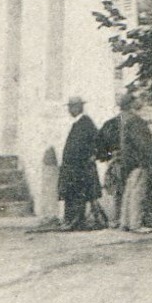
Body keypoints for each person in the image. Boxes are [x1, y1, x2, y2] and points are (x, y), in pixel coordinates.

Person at [96, 91, 152, 232]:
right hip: (138, 162)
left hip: (126, 162)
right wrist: (151, 156)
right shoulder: (136, 121)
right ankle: (136, 224)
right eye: (136, 99)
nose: (139, 101)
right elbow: (143, 144)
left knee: (128, 193)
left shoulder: (122, 120)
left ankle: (125, 222)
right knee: (137, 193)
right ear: (131, 104)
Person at [58, 96, 101, 230]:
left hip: (81, 167)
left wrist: (93, 156)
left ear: (78, 107)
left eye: (71, 107)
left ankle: (76, 221)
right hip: (72, 167)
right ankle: (70, 220)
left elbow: (98, 141)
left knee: (78, 193)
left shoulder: (86, 122)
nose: (69, 110)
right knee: (71, 193)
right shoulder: (77, 123)